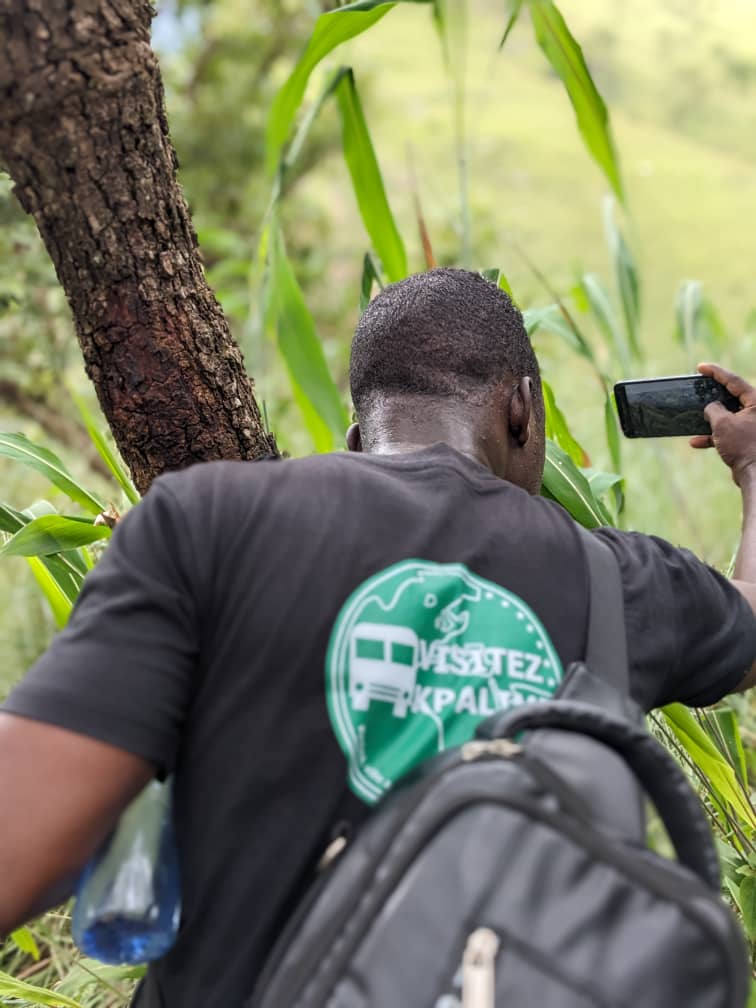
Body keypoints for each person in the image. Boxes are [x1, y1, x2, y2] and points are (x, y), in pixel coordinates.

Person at [0, 268, 754, 1007]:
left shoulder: (205, 524)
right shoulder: (620, 583)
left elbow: (20, 841)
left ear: (359, 438)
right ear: (523, 410)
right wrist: (751, 465)